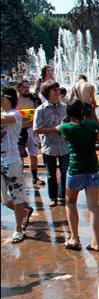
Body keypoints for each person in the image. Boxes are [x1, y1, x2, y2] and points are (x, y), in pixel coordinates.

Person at [58, 99, 99, 252]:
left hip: (75, 169)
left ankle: (74, 238)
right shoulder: (93, 125)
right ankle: (96, 242)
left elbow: (66, 142)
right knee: (93, 207)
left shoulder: (65, 128)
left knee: (70, 203)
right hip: (92, 168)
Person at [1, 87, 33, 243]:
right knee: (4, 200)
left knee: (17, 195)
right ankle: (24, 213)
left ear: (8, 99)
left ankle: (18, 229)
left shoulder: (15, 115)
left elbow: (4, 119)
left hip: (12, 161)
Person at [33, 81, 69, 207]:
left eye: (58, 89)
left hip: (64, 145)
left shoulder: (65, 107)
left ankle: (62, 197)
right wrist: (54, 129)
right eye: (54, 90)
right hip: (49, 146)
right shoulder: (40, 110)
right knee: (51, 174)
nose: (58, 92)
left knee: (65, 172)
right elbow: (37, 129)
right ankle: (53, 197)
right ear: (47, 93)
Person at [15, 79, 45, 187]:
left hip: (31, 130)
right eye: (24, 87)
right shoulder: (14, 100)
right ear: (18, 88)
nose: (27, 89)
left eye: (28, 87)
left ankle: (35, 177)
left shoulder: (33, 98)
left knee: (34, 154)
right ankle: (19, 177)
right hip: (18, 131)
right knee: (19, 155)